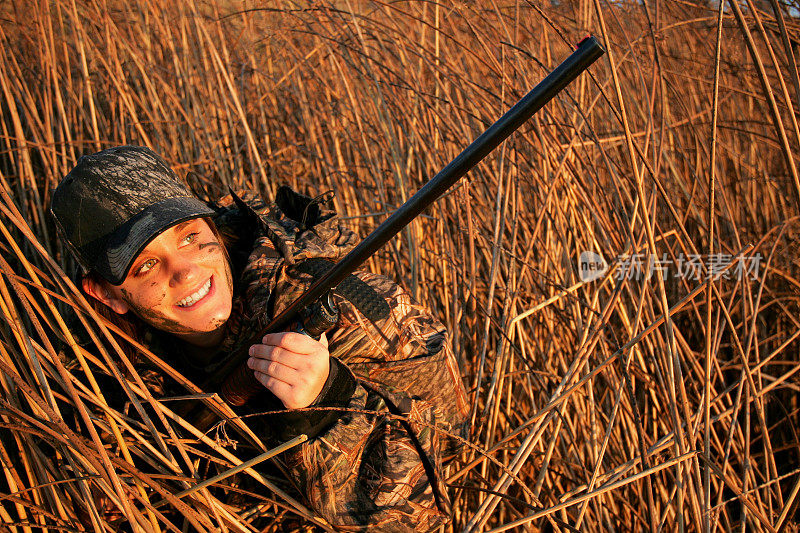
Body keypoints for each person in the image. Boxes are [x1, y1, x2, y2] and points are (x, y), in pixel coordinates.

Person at [50, 145, 469, 531]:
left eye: (191, 238)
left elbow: (424, 506)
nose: (187, 272)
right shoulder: (97, 370)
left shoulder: (342, 308)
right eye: (146, 267)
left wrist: (325, 407)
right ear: (107, 294)